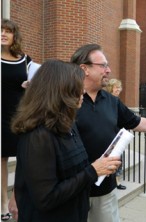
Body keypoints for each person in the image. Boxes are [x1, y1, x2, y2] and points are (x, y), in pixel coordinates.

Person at [70, 43, 146, 222]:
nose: (108, 70)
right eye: (103, 65)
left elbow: (137, 122)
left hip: (105, 191)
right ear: (84, 68)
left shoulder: (111, 101)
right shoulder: (66, 99)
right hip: (73, 190)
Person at [10, 59, 121, 222]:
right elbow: (46, 198)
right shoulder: (38, 136)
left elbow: (73, 171)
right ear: (61, 90)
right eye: (78, 86)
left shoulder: (68, 125)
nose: (83, 91)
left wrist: (100, 165)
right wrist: (92, 171)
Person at [1, 19, 32, 221]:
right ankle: (2, 203)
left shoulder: (25, 60)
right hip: (0, 116)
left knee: (23, 158)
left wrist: (31, 85)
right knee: (1, 159)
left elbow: (37, 83)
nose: (3, 34)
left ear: (14, 36)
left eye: (8, 31)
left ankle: (16, 201)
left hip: (21, 116)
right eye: (0, 31)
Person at [105, 78, 126, 190]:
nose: (119, 89)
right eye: (116, 87)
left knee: (119, 160)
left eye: (119, 87)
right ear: (110, 88)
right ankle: (113, 181)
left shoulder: (117, 101)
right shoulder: (108, 102)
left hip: (118, 135)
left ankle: (117, 181)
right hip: (110, 136)